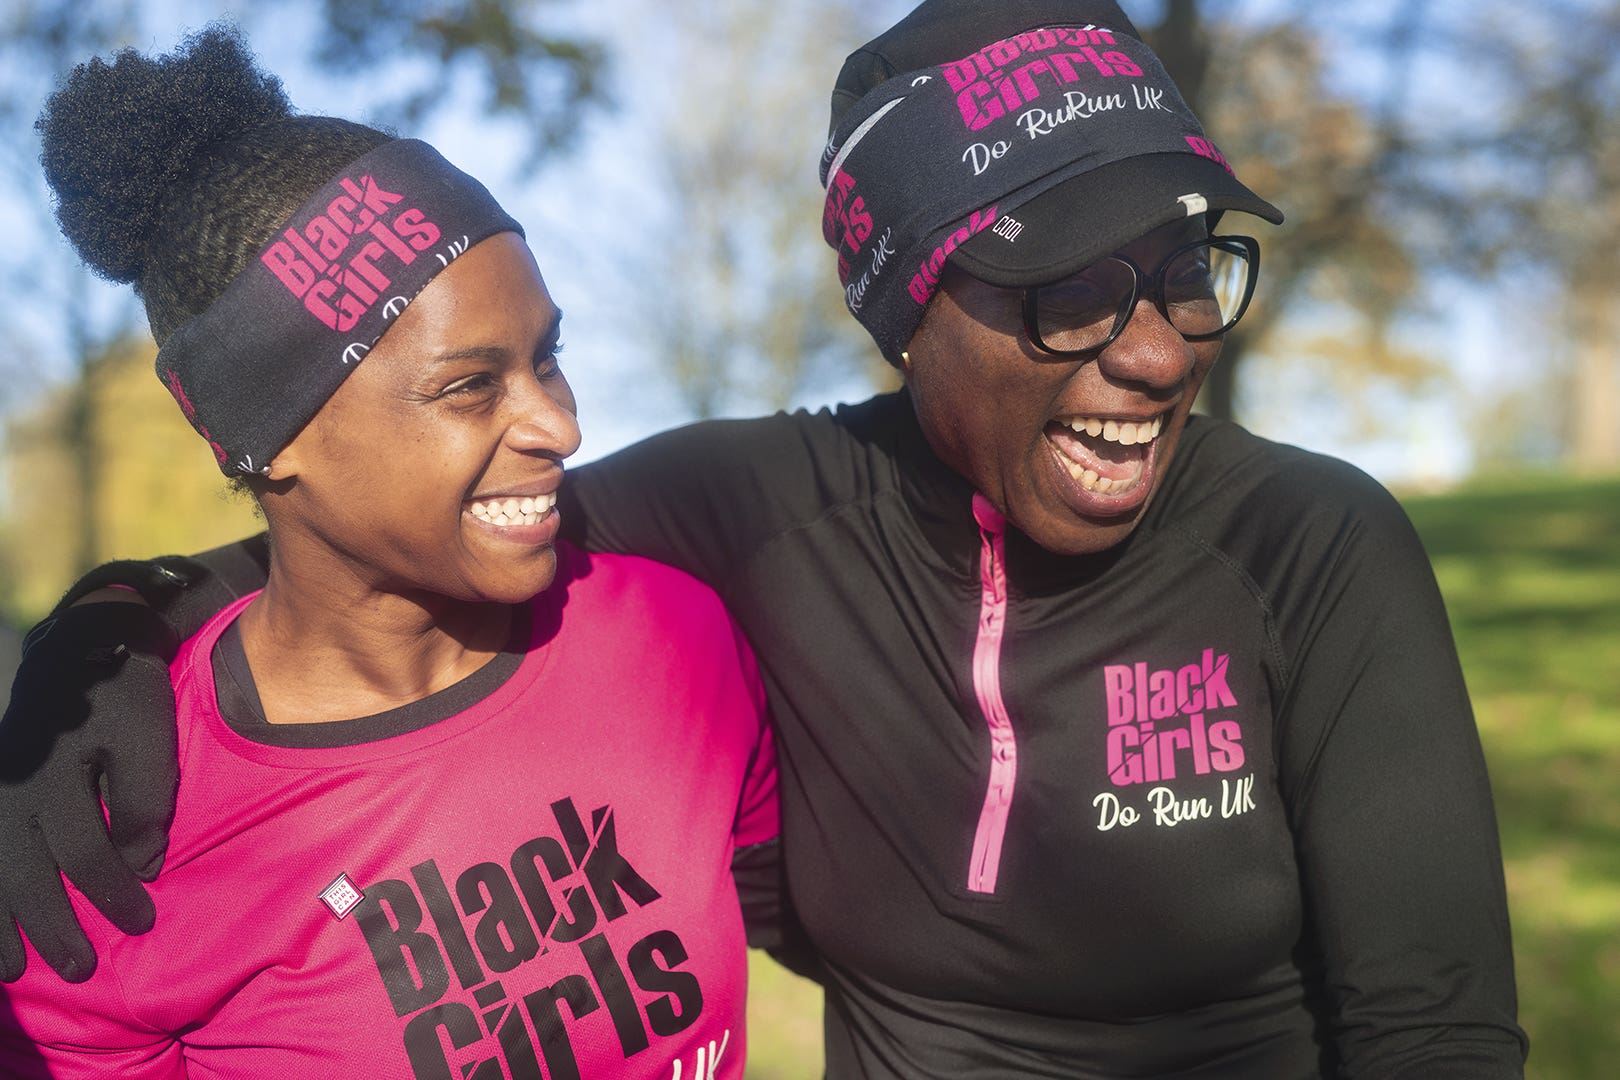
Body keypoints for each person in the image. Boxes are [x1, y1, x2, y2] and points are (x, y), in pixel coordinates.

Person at [2, 2, 1528, 1076]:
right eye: (1068, 284)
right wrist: (126, 631)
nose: (1152, 351)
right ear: (904, 307)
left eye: (1186, 268)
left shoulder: (1312, 546)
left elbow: (1434, 1030)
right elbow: (397, 535)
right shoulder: (751, 521)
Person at [0, 27, 781, 1080]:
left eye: (548, 358)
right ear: (267, 440)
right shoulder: (112, 837)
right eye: (470, 386)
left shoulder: (675, 637)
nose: (560, 425)